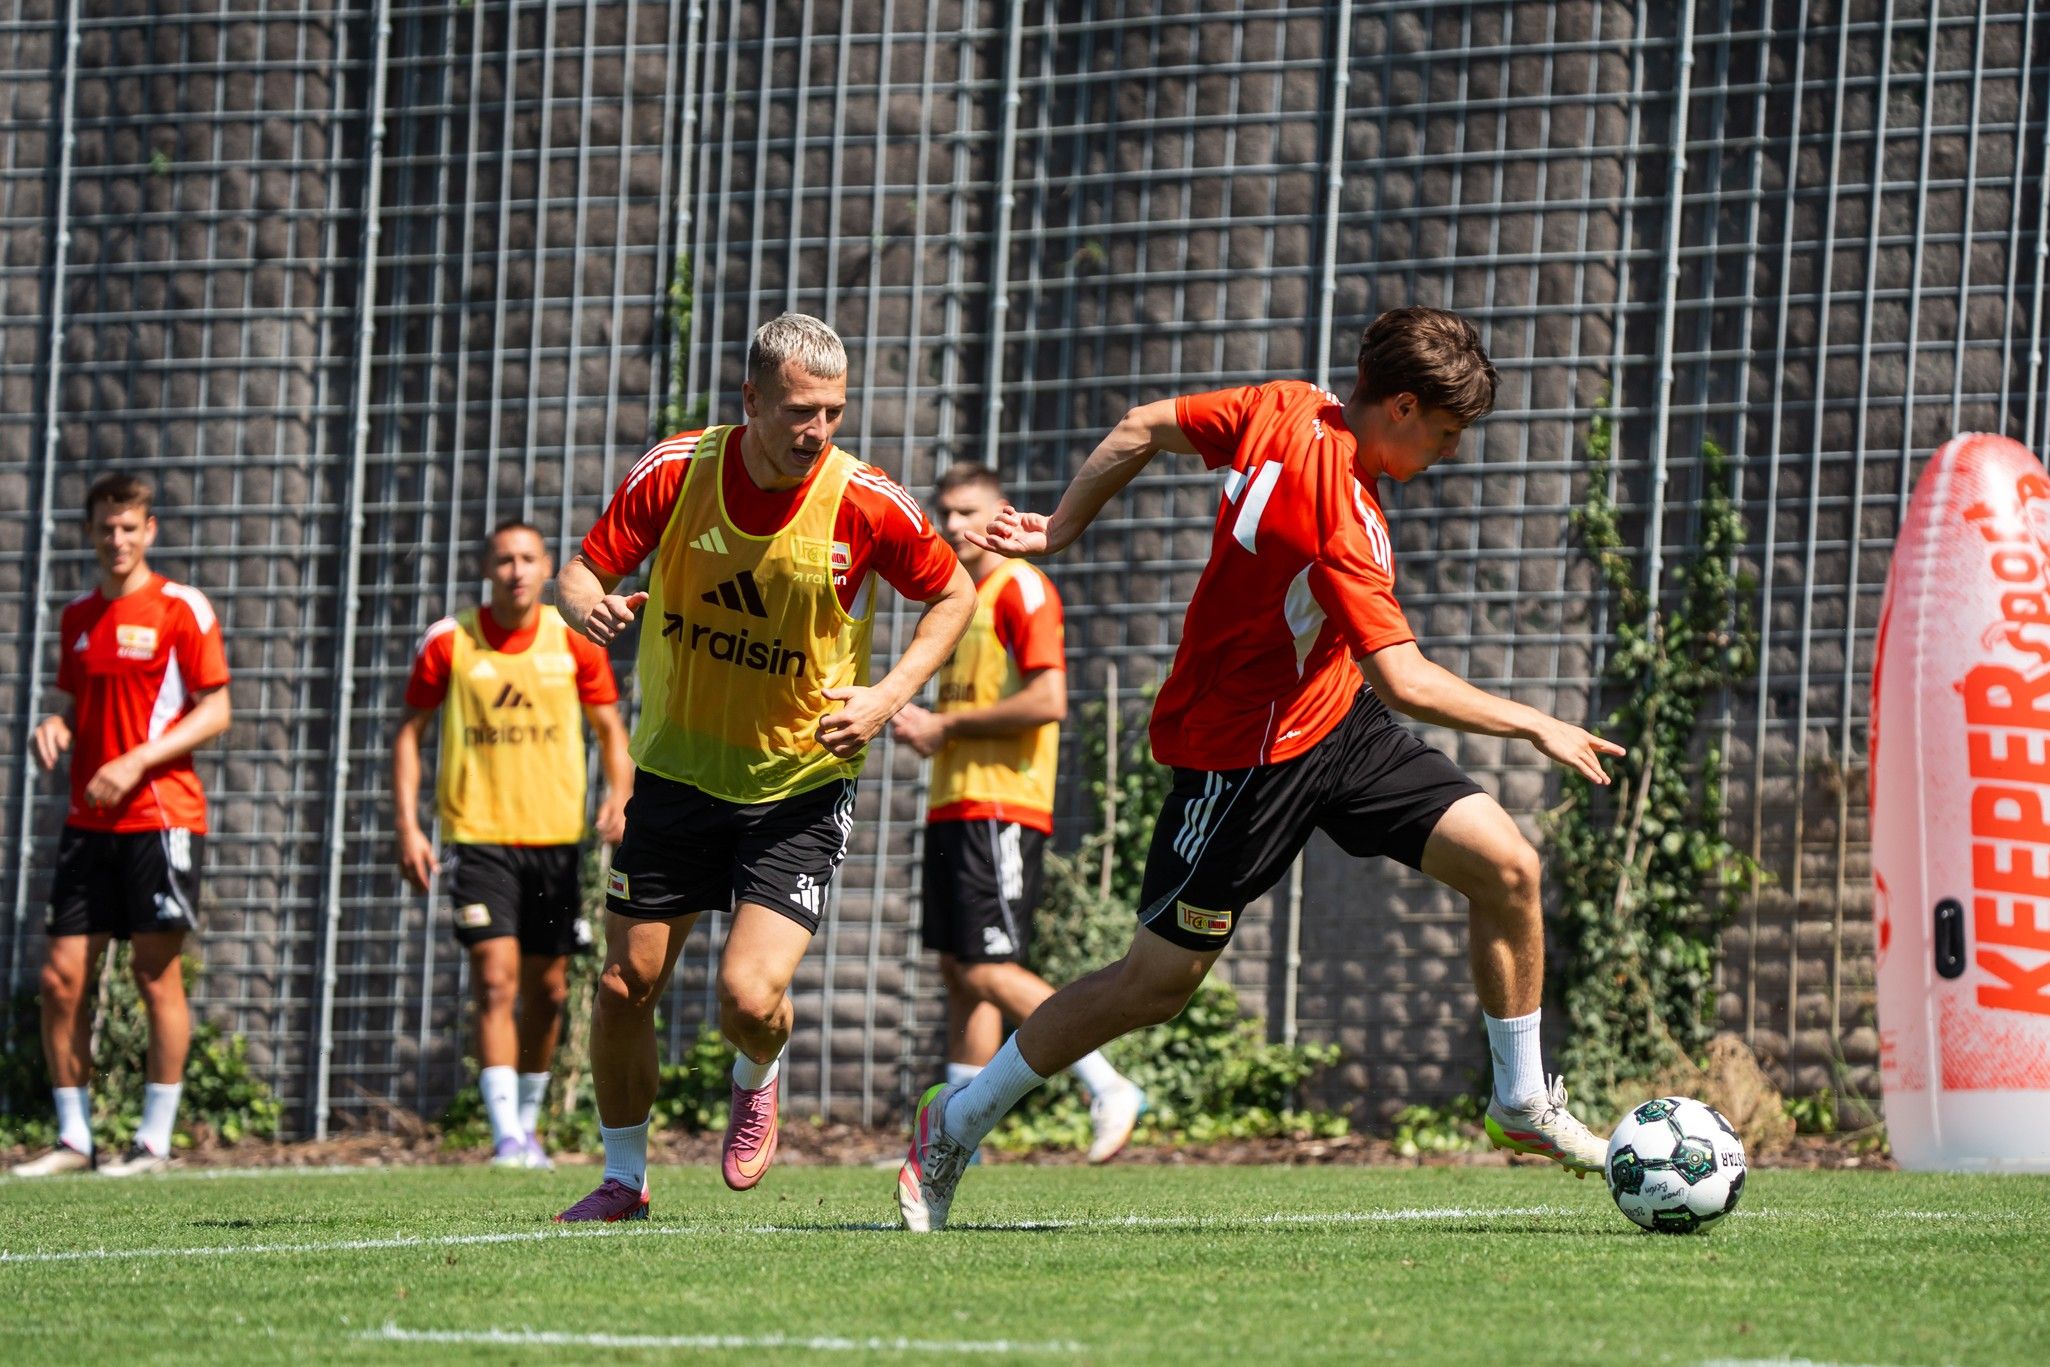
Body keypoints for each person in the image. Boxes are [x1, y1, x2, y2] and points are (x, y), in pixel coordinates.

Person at [898, 306, 1626, 1231]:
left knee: (1509, 865)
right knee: (1152, 985)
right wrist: (1537, 724)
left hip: (1334, 723)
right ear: (1400, 406)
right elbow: (1403, 677)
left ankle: (1520, 1100)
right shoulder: (1341, 517)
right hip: (1240, 761)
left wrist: (1062, 529)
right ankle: (953, 1124)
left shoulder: (1289, 403)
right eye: (1445, 433)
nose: (1449, 452)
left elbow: (1140, 428)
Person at [552, 313, 975, 1222]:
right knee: (624, 986)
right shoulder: (677, 471)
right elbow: (580, 572)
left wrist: (887, 696)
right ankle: (625, 1179)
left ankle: (759, 1069)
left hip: (795, 789)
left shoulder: (864, 499)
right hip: (672, 777)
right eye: (798, 411)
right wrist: (586, 605)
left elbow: (953, 590)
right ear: (749, 400)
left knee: (748, 996)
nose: (816, 431)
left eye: (832, 411)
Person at [891, 462, 1144, 1163]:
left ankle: (1108, 1083)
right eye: (944, 513)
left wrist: (944, 727)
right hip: (955, 803)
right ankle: (958, 1142)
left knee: (990, 969)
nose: (953, 527)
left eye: (969, 512)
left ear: (1002, 512)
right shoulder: (958, 599)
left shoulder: (1020, 585)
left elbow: (1047, 699)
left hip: (1001, 806)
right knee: (960, 973)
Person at [391, 520, 632, 1169]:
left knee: (549, 988)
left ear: (546, 566)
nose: (517, 570)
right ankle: (504, 1136)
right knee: (495, 980)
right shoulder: (451, 641)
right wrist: (409, 824)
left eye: (528, 558)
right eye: (504, 559)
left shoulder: (573, 640)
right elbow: (409, 732)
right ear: (486, 568)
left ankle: (527, 1124)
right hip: (479, 839)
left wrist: (619, 792)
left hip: (557, 843)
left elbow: (610, 728)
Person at [14, 473, 232, 1177]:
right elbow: (73, 702)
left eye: (129, 526)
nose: (118, 539)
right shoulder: (78, 616)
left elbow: (215, 709)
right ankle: (76, 1137)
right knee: (60, 977)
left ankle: (154, 1140)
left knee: (152, 971)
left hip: (160, 816)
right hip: (87, 820)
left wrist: (135, 759)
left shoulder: (180, 608)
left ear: (150, 530)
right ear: (90, 532)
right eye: (106, 527)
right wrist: (55, 722)